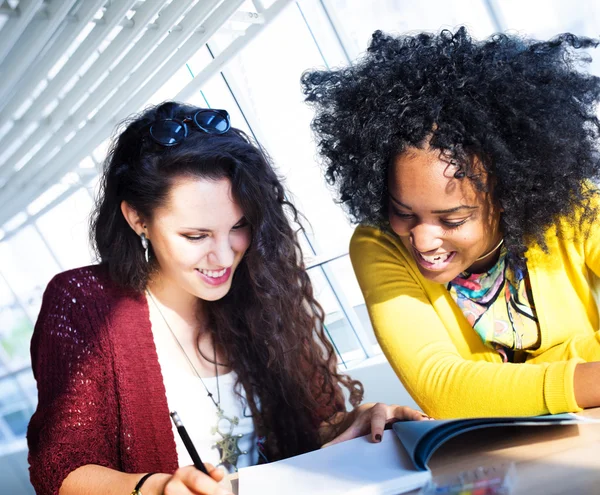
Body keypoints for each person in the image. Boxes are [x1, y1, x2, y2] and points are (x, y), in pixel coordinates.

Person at [27, 101, 427, 495]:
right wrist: (157, 488)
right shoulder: (84, 302)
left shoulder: (261, 287)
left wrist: (352, 424)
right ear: (138, 219)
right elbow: (61, 469)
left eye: (238, 226)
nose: (223, 256)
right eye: (196, 236)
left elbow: (307, 432)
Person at [302, 27, 600, 420]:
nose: (423, 241)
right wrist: (581, 361)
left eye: (453, 219)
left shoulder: (569, 210)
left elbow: (469, 392)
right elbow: (446, 393)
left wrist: (507, 390)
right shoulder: (379, 245)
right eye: (403, 212)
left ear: (509, 196)